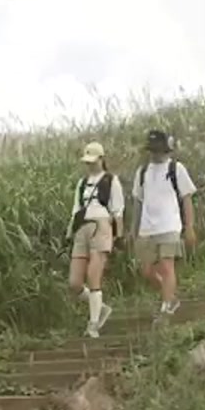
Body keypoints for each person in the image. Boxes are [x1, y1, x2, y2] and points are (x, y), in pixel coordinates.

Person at [127, 128, 198, 316]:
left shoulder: (176, 169)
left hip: (170, 225)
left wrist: (189, 227)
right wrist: (133, 230)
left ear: (167, 150)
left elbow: (187, 198)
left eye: (158, 150)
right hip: (146, 228)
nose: (155, 154)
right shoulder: (142, 172)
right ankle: (170, 295)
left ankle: (166, 308)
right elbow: (138, 202)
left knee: (167, 266)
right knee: (146, 270)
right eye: (152, 150)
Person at [68, 140, 125, 338]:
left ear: (102, 159)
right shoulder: (82, 183)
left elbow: (118, 211)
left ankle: (93, 324)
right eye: (87, 161)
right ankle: (101, 308)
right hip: (82, 227)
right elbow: (76, 208)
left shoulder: (111, 181)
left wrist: (118, 236)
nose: (90, 165)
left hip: (102, 226)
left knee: (94, 276)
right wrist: (70, 231)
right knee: (74, 282)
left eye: (93, 161)